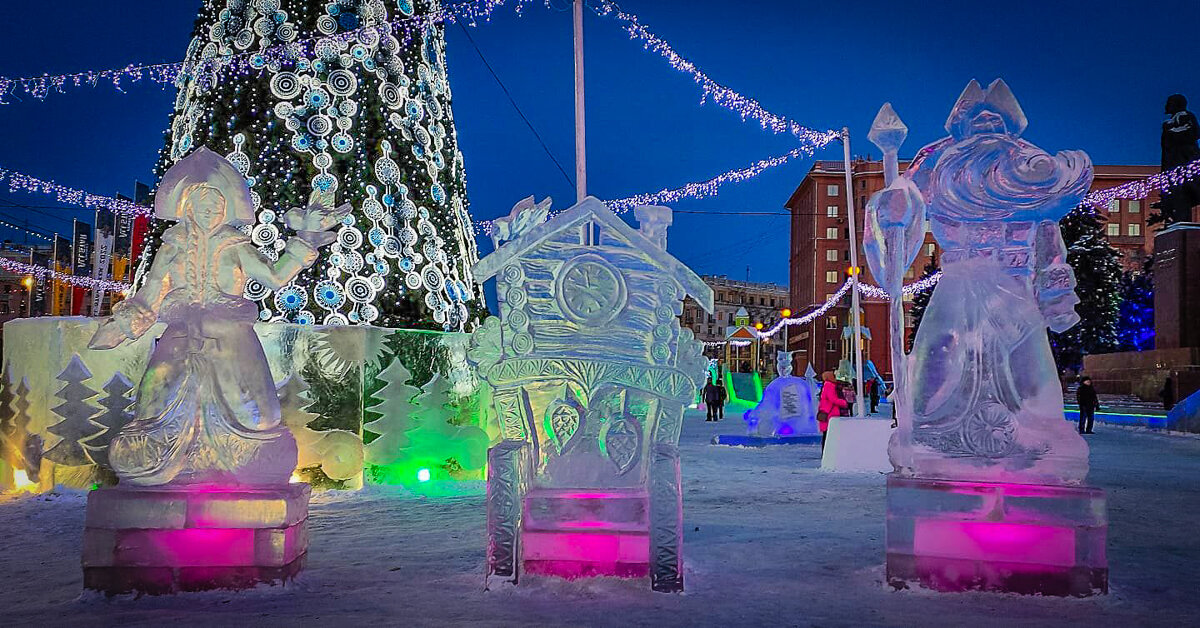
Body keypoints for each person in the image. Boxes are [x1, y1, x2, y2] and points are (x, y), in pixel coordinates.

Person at [817, 371, 848, 451]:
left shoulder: (826, 385)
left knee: (827, 434)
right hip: (830, 414)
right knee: (829, 434)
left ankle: (826, 451)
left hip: (826, 412)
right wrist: (843, 402)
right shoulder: (829, 385)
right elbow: (833, 399)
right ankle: (827, 451)